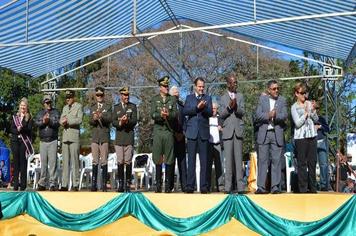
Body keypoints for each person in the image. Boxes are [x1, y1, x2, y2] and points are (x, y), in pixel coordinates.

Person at [255, 80, 287, 194]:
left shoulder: (282, 100)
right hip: (264, 133)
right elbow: (257, 115)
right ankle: (261, 187)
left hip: (276, 133)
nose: (276, 90)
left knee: (276, 161)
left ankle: (275, 187)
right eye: (274, 89)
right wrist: (268, 115)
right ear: (269, 90)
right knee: (262, 161)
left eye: (278, 88)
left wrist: (276, 115)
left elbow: (284, 115)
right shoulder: (262, 100)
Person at [183, 77, 212, 194]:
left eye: (203, 86)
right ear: (195, 86)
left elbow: (210, 113)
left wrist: (203, 108)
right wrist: (196, 108)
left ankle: (204, 186)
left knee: (204, 161)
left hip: (204, 133)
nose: (201, 88)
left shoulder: (208, 98)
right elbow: (185, 111)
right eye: (199, 86)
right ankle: (190, 186)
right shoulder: (189, 98)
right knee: (191, 161)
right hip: (192, 133)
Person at [151, 76, 177, 193]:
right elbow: (152, 114)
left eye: (167, 86)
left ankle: (167, 185)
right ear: (160, 87)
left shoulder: (172, 99)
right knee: (157, 158)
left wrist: (168, 115)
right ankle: (158, 184)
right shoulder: (154, 99)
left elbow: (175, 114)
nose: (166, 88)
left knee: (169, 158)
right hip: (158, 131)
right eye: (164, 86)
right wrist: (160, 115)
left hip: (168, 131)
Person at [219, 75, 245, 194]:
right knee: (228, 161)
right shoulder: (223, 98)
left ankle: (240, 187)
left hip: (238, 131)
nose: (235, 84)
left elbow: (242, 112)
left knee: (239, 161)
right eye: (233, 82)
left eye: (236, 82)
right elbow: (221, 114)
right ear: (228, 84)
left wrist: (236, 107)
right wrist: (229, 107)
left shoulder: (240, 96)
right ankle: (228, 187)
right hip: (228, 131)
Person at [291, 82, 318, 193]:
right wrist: (306, 114)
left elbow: (316, 119)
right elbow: (297, 123)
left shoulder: (309, 103)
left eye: (305, 93)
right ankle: (302, 189)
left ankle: (313, 188)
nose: (304, 95)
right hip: (300, 138)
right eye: (301, 93)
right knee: (302, 164)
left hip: (312, 136)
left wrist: (313, 111)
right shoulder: (294, 107)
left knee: (312, 163)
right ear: (296, 93)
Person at [113, 87, 137, 192]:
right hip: (119, 138)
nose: (126, 97)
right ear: (121, 96)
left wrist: (127, 121)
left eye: (127, 95)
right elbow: (113, 122)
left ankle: (127, 183)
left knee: (128, 161)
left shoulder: (133, 106)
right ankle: (121, 184)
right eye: (124, 95)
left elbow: (135, 120)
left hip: (129, 137)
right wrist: (120, 123)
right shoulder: (116, 107)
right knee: (120, 161)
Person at [35, 95, 61, 191]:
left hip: (53, 140)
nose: (48, 104)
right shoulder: (40, 113)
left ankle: (53, 183)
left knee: (53, 163)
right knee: (44, 164)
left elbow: (57, 123)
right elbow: (36, 123)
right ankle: (42, 183)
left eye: (49, 102)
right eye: (46, 102)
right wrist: (43, 121)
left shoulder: (56, 112)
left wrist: (48, 121)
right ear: (43, 103)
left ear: (51, 102)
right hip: (43, 141)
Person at [89, 87, 112, 192]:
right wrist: (94, 119)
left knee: (104, 160)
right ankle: (93, 184)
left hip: (104, 136)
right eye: (97, 95)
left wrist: (102, 117)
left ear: (104, 95)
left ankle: (103, 184)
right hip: (95, 136)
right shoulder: (92, 107)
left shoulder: (108, 106)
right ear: (95, 96)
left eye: (101, 95)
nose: (99, 97)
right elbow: (90, 121)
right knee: (94, 160)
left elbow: (110, 119)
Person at [60, 90, 83, 191]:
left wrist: (68, 121)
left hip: (74, 137)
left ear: (73, 97)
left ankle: (75, 184)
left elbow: (79, 119)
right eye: (66, 98)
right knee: (65, 162)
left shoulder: (78, 106)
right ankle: (64, 184)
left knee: (75, 161)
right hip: (65, 137)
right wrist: (62, 122)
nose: (68, 99)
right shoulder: (64, 108)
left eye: (69, 97)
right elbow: (61, 120)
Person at [10, 97, 34, 191]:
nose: (23, 107)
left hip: (24, 141)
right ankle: (15, 185)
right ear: (19, 106)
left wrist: (22, 129)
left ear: (27, 107)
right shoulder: (15, 117)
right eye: (21, 105)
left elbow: (29, 129)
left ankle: (23, 185)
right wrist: (17, 130)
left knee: (23, 163)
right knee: (15, 163)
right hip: (15, 140)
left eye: (24, 105)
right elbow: (11, 129)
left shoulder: (29, 117)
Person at [169, 86, 187, 192]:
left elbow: (185, 121)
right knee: (171, 162)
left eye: (178, 92)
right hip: (171, 137)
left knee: (182, 162)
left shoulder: (181, 105)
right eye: (175, 93)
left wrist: (183, 133)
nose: (177, 94)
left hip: (181, 137)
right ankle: (170, 185)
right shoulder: (168, 105)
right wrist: (175, 133)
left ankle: (184, 186)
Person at [314, 103, 331, 191]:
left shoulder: (321, 118)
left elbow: (328, 129)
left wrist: (320, 126)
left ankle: (323, 184)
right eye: (313, 108)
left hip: (321, 142)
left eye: (316, 109)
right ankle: (313, 184)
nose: (314, 110)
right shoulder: (308, 118)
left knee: (323, 164)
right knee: (312, 164)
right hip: (311, 143)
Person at [208, 102, 223, 192]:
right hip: (209, 145)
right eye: (212, 108)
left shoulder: (220, 118)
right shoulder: (206, 118)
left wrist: (222, 129)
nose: (213, 109)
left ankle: (220, 186)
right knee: (208, 166)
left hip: (218, 145)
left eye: (215, 108)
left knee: (219, 167)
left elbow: (225, 130)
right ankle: (208, 186)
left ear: (217, 109)